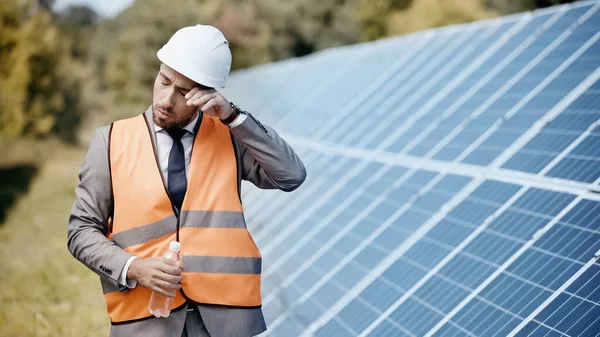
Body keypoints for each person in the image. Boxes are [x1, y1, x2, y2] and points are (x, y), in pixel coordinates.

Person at [67, 24, 306, 337]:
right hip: (145, 321)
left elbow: (291, 176)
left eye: (183, 92)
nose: (166, 99)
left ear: (206, 93)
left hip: (226, 323)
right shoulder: (110, 142)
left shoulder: (231, 138)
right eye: (164, 81)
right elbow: (80, 230)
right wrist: (134, 267)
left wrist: (234, 117)